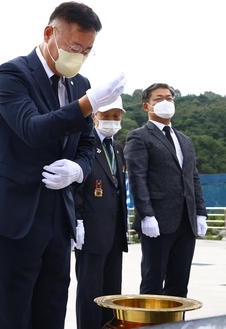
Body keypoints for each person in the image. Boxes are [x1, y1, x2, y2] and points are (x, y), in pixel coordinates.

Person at [0, 1, 126, 329]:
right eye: (74, 47)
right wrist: (90, 104)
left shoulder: (79, 86)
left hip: (58, 218)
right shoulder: (11, 75)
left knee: (52, 312)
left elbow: (87, 144)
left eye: (87, 50)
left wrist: (80, 169)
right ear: (48, 34)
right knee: (14, 316)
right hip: (14, 217)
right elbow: (32, 128)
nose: (80, 56)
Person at [123, 83, 208, 299]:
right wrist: (146, 215)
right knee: (153, 283)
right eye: (159, 99)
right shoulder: (139, 137)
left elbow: (193, 177)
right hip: (157, 222)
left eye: (169, 98)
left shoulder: (185, 140)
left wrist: (200, 212)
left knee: (179, 286)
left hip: (185, 221)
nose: (166, 102)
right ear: (146, 106)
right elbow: (137, 178)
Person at [73, 96, 129, 328]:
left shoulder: (116, 149)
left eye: (116, 116)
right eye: (106, 116)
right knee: (90, 295)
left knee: (112, 296)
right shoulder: (83, 145)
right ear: (94, 116)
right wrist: (77, 220)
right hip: (91, 234)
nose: (111, 120)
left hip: (114, 235)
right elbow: (75, 186)